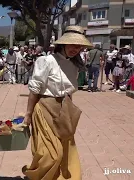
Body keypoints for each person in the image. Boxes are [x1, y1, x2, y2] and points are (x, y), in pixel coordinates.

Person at [22, 26, 92, 180]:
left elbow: (69, 92)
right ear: (63, 44)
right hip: (45, 109)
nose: (76, 49)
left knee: (66, 152)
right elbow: (35, 89)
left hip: (63, 110)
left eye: (79, 46)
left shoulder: (74, 66)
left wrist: (69, 113)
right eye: (73, 45)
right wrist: (28, 115)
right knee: (52, 154)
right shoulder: (46, 61)